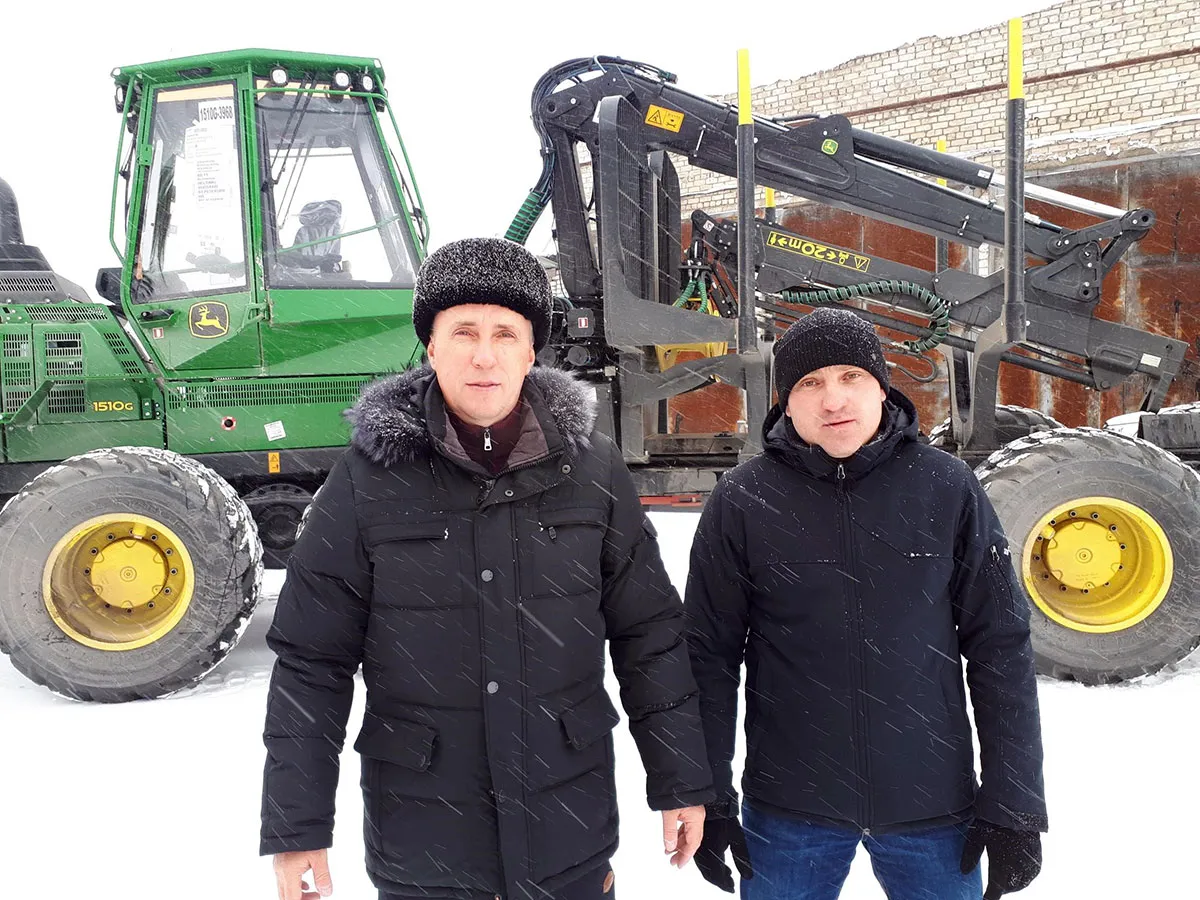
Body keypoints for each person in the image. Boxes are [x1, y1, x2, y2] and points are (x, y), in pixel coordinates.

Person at [259, 237, 713, 900]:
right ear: (431, 346)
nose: (484, 354)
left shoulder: (593, 470)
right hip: (426, 845)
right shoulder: (368, 480)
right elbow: (311, 661)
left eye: (505, 333)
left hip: (568, 833)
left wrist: (680, 780)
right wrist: (296, 825)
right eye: (463, 332)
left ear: (531, 352)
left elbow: (650, 635)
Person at [685, 307, 1047, 900]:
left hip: (932, 807)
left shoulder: (946, 487)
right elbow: (707, 658)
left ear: (881, 387)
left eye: (850, 377)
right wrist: (710, 796)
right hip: (789, 812)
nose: (833, 400)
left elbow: (1000, 647)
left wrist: (1015, 804)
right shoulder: (744, 500)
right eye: (810, 383)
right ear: (786, 403)